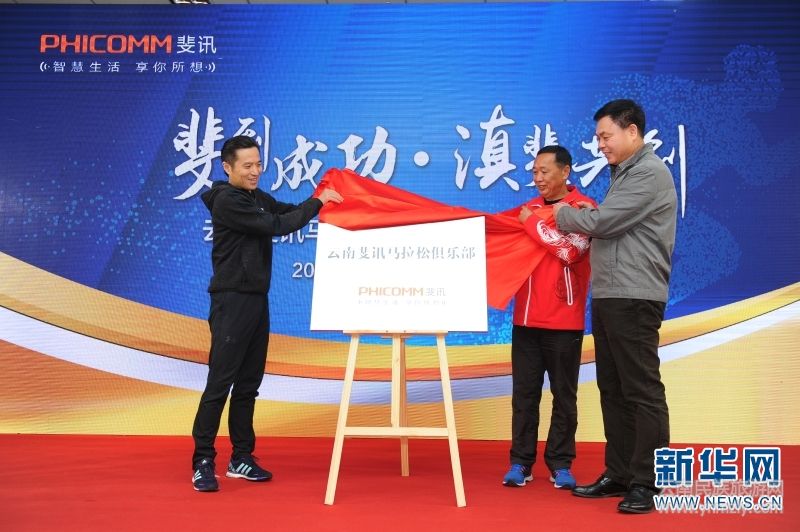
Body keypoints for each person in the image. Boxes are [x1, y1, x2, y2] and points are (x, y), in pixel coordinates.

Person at [191, 135, 343, 492]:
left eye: (259, 164)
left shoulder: (256, 198)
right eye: (247, 166)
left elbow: (286, 212)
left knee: (248, 385)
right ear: (227, 167)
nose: (255, 171)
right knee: (220, 384)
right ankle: (202, 461)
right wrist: (319, 202)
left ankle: (241, 457)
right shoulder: (227, 201)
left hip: (257, 300)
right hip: (231, 301)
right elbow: (277, 225)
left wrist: (325, 201)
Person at [553, 99, 677, 513]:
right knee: (613, 388)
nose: (600, 144)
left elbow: (604, 223)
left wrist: (563, 213)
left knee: (640, 389)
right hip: (610, 295)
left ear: (632, 131)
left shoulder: (648, 173)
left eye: (606, 136)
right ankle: (620, 473)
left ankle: (648, 481)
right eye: (598, 137)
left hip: (635, 296)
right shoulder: (623, 173)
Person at [501, 145, 596, 490]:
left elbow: (570, 251)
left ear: (565, 171)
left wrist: (531, 224)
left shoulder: (584, 209)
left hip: (564, 321)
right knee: (524, 396)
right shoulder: (527, 210)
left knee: (564, 397)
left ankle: (560, 463)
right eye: (535, 172)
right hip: (526, 321)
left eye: (545, 171)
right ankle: (520, 462)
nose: (538, 178)